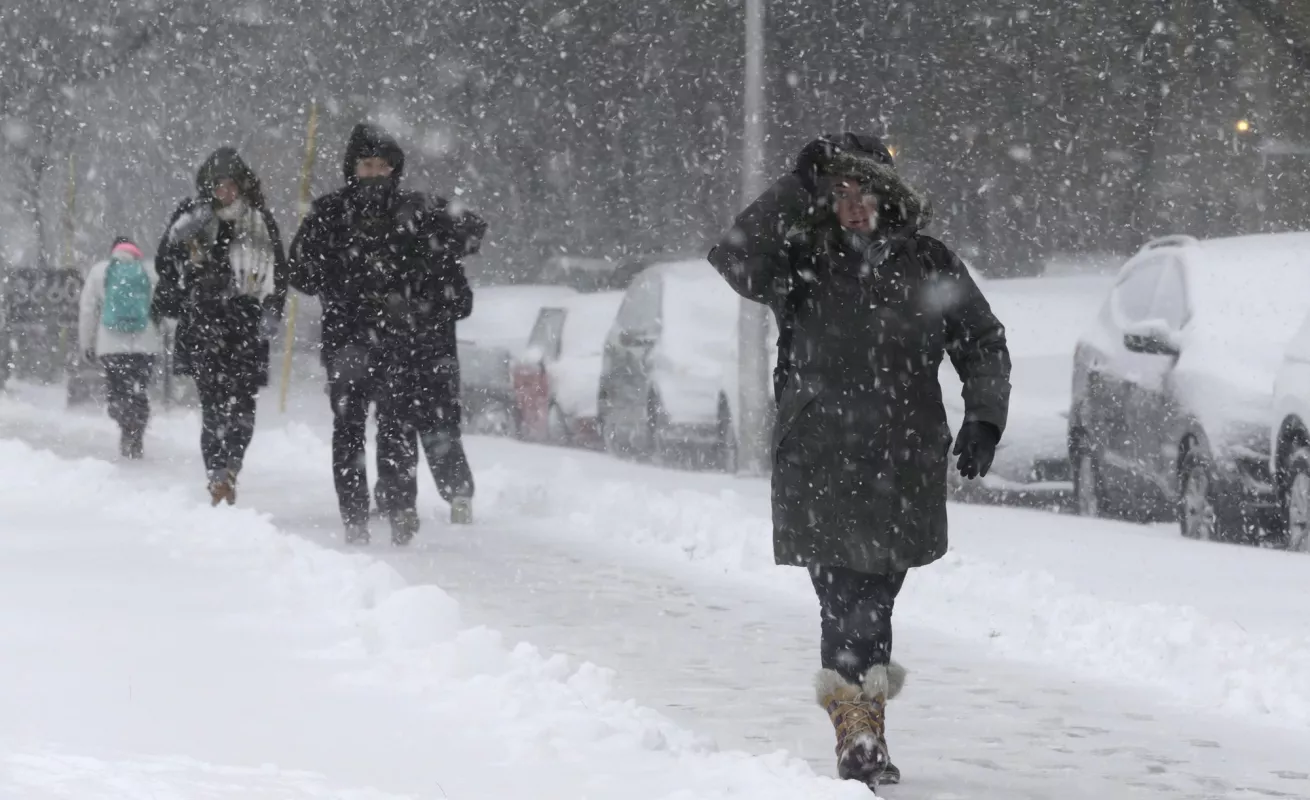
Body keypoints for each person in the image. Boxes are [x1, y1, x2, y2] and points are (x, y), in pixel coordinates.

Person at [707, 133, 1011, 789]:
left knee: (877, 597)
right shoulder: (801, 262)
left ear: (887, 195)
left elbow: (981, 340)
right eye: (838, 193)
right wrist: (793, 183)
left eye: (862, 191)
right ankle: (860, 735)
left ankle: (862, 725)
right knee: (845, 600)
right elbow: (732, 257)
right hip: (820, 457)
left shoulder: (928, 263)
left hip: (903, 461)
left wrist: (985, 417)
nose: (850, 206)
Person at [289, 123, 483, 545]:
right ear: (352, 168)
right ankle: (355, 515)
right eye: (366, 165)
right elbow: (301, 272)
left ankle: (399, 508)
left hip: (398, 341)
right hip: (348, 338)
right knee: (349, 428)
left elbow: (469, 232)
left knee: (396, 426)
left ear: (394, 169)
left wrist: (429, 270)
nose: (374, 173)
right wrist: (331, 269)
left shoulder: (414, 210)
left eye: (382, 165)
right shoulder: (330, 213)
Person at [153, 147, 288, 506]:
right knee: (212, 404)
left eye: (229, 185)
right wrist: (180, 238)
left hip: (245, 324)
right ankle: (216, 474)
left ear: (242, 185)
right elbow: (166, 266)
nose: (223, 192)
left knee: (243, 403)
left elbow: (280, 272)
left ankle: (232, 466)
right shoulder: (192, 216)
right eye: (216, 185)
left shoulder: (260, 221)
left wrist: (272, 310)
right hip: (204, 323)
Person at [77, 237, 163, 459]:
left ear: (113, 250)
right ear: (136, 251)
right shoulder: (149, 271)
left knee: (117, 390)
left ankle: (125, 422)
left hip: (111, 345)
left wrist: (86, 342)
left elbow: (87, 310)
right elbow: (163, 307)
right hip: (145, 344)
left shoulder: (100, 271)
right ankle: (136, 430)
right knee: (139, 389)